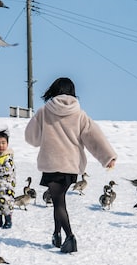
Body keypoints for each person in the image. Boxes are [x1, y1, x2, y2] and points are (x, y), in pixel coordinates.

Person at [25, 77, 117, 253]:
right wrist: (108, 157)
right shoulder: (80, 114)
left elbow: (32, 138)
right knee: (59, 199)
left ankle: (70, 237)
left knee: (59, 203)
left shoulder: (44, 112)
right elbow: (94, 137)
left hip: (52, 164)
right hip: (71, 166)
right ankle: (56, 234)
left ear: (54, 90)